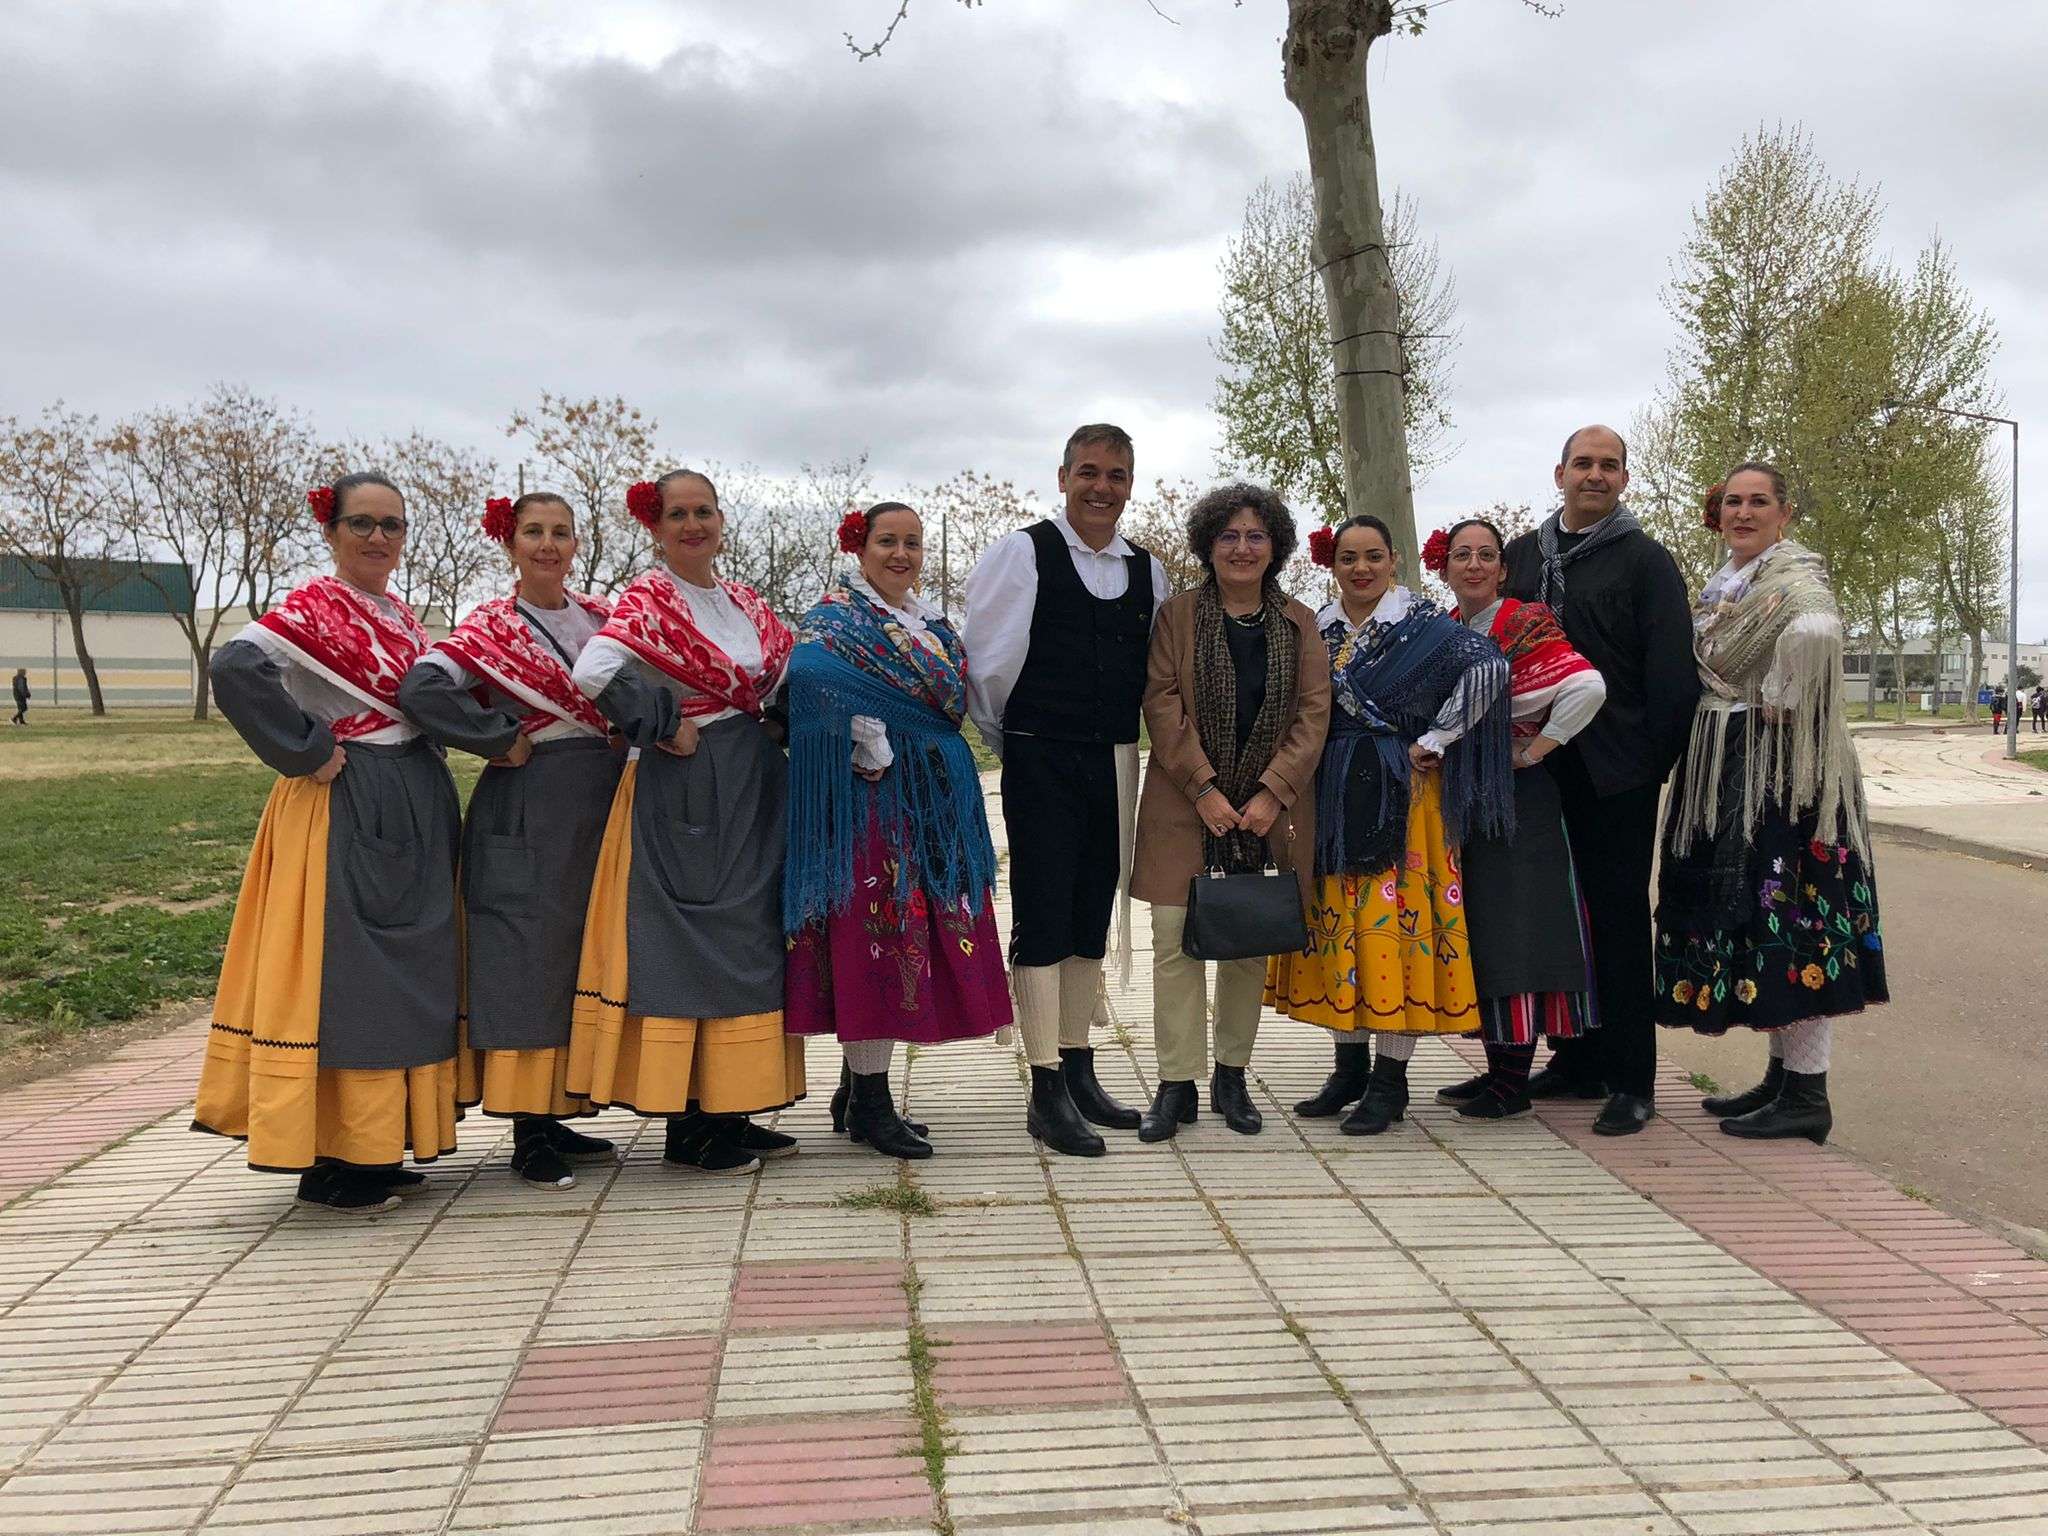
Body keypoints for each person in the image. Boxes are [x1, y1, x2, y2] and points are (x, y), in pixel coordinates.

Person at [193, 473, 461, 1212]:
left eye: (393, 525)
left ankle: (375, 1143)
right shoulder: (314, 606)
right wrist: (306, 749)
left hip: (410, 793)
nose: (379, 538)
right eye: (363, 524)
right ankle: (329, 1154)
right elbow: (235, 667)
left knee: (409, 967)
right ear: (331, 530)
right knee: (348, 971)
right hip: (347, 798)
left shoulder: (399, 614)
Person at [566, 470, 805, 1175]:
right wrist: (665, 724)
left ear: (721, 520)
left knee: (750, 933)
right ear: (657, 527)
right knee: (694, 935)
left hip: (751, 782)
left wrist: (779, 725)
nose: (693, 524)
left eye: (703, 511)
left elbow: (784, 674)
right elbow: (594, 669)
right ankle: (690, 1123)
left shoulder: (743, 602)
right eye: (678, 514)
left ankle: (732, 1105)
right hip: (688, 790)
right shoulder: (650, 600)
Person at [397, 493, 623, 1189]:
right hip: (528, 806)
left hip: (603, 802)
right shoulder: (490, 627)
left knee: (582, 951)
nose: (548, 545)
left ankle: (559, 1107)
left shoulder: (601, 619)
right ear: (511, 543)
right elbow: (423, 690)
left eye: (560, 532)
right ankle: (529, 1130)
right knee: (526, 954)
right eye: (534, 532)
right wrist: (496, 740)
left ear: (578, 542)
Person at [1656, 463, 1887, 1143]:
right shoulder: (1737, 579)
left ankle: (1808, 1095)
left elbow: (1816, 632)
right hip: (1737, 769)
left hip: (1784, 780)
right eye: (1733, 502)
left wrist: (1781, 700)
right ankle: (1783, 1079)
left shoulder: (1794, 579)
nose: (1744, 512)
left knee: (1790, 916)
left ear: (1784, 513)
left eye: (1759, 502)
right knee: (1760, 917)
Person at [963, 424, 1168, 1158]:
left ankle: (1079, 1067)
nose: (1101, 487)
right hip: (1041, 752)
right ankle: (1044, 1085)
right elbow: (987, 665)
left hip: (1115, 755)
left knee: (1092, 906)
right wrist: (1015, 739)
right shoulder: (1024, 553)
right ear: (1063, 476)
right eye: (1089, 471)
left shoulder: (1148, 568)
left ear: (1130, 483)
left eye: (1116, 474)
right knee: (1045, 909)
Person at [783, 502, 1013, 1159]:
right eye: (888, 541)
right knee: (877, 934)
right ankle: (872, 1103)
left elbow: (954, 692)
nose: (901, 554)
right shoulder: (835, 618)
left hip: (932, 793)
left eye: (912, 542)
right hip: (874, 794)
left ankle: (858, 1094)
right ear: (860, 546)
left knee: (912, 931)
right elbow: (809, 681)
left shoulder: (929, 619)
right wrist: (861, 732)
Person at [1269, 515, 1512, 1134]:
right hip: (1332, 794)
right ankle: (1347, 1067)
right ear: (1332, 563)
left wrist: (1437, 736)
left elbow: (1490, 668)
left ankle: (1390, 1081)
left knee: (1391, 931)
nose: (1362, 569)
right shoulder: (1316, 628)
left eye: (1373, 556)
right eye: (1349, 557)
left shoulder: (1423, 627)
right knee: (1340, 929)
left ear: (1393, 561)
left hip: (1404, 796)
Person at [1502, 425, 1701, 1136]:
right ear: (1559, 473)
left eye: (1607, 466)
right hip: (1531, 770)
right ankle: (1577, 1058)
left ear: (1624, 479)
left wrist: (1650, 766)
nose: (1594, 475)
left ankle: (1631, 1078)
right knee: (1549, 912)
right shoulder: (1522, 557)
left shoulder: (1645, 562)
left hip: (1615, 772)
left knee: (1615, 920)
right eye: (1582, 463)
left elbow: (1673, 676)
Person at [1130, 483, 1329, 1142]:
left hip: (1268, 813)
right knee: (1173, 940)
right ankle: (1175, 1083)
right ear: (1208, 545)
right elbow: (1161, 702)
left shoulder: (1300, 622)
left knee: (1247, 943)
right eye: (1229, 536)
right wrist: (1205, 789)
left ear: (1275, 547)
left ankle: (1232, 1076)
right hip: (1185, 805)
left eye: (1255, 536)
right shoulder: (1176, 617)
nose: (1242, 548)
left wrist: (1273, 792)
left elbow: (1312, 713)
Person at [1430, 518, 1607, 1119]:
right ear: (1445, 567)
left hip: (1518, 799)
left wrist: (1536, 749)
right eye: (1463, 556)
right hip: (1467, 796)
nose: (1474, 565)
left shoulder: (1524, 622)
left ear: (1503, 569)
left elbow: (1586, 686)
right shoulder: (1447, 629)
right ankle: (1497, 1068)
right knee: (1481, 922)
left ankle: (1512, 1081)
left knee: (1518, 925)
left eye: (1486, 555)